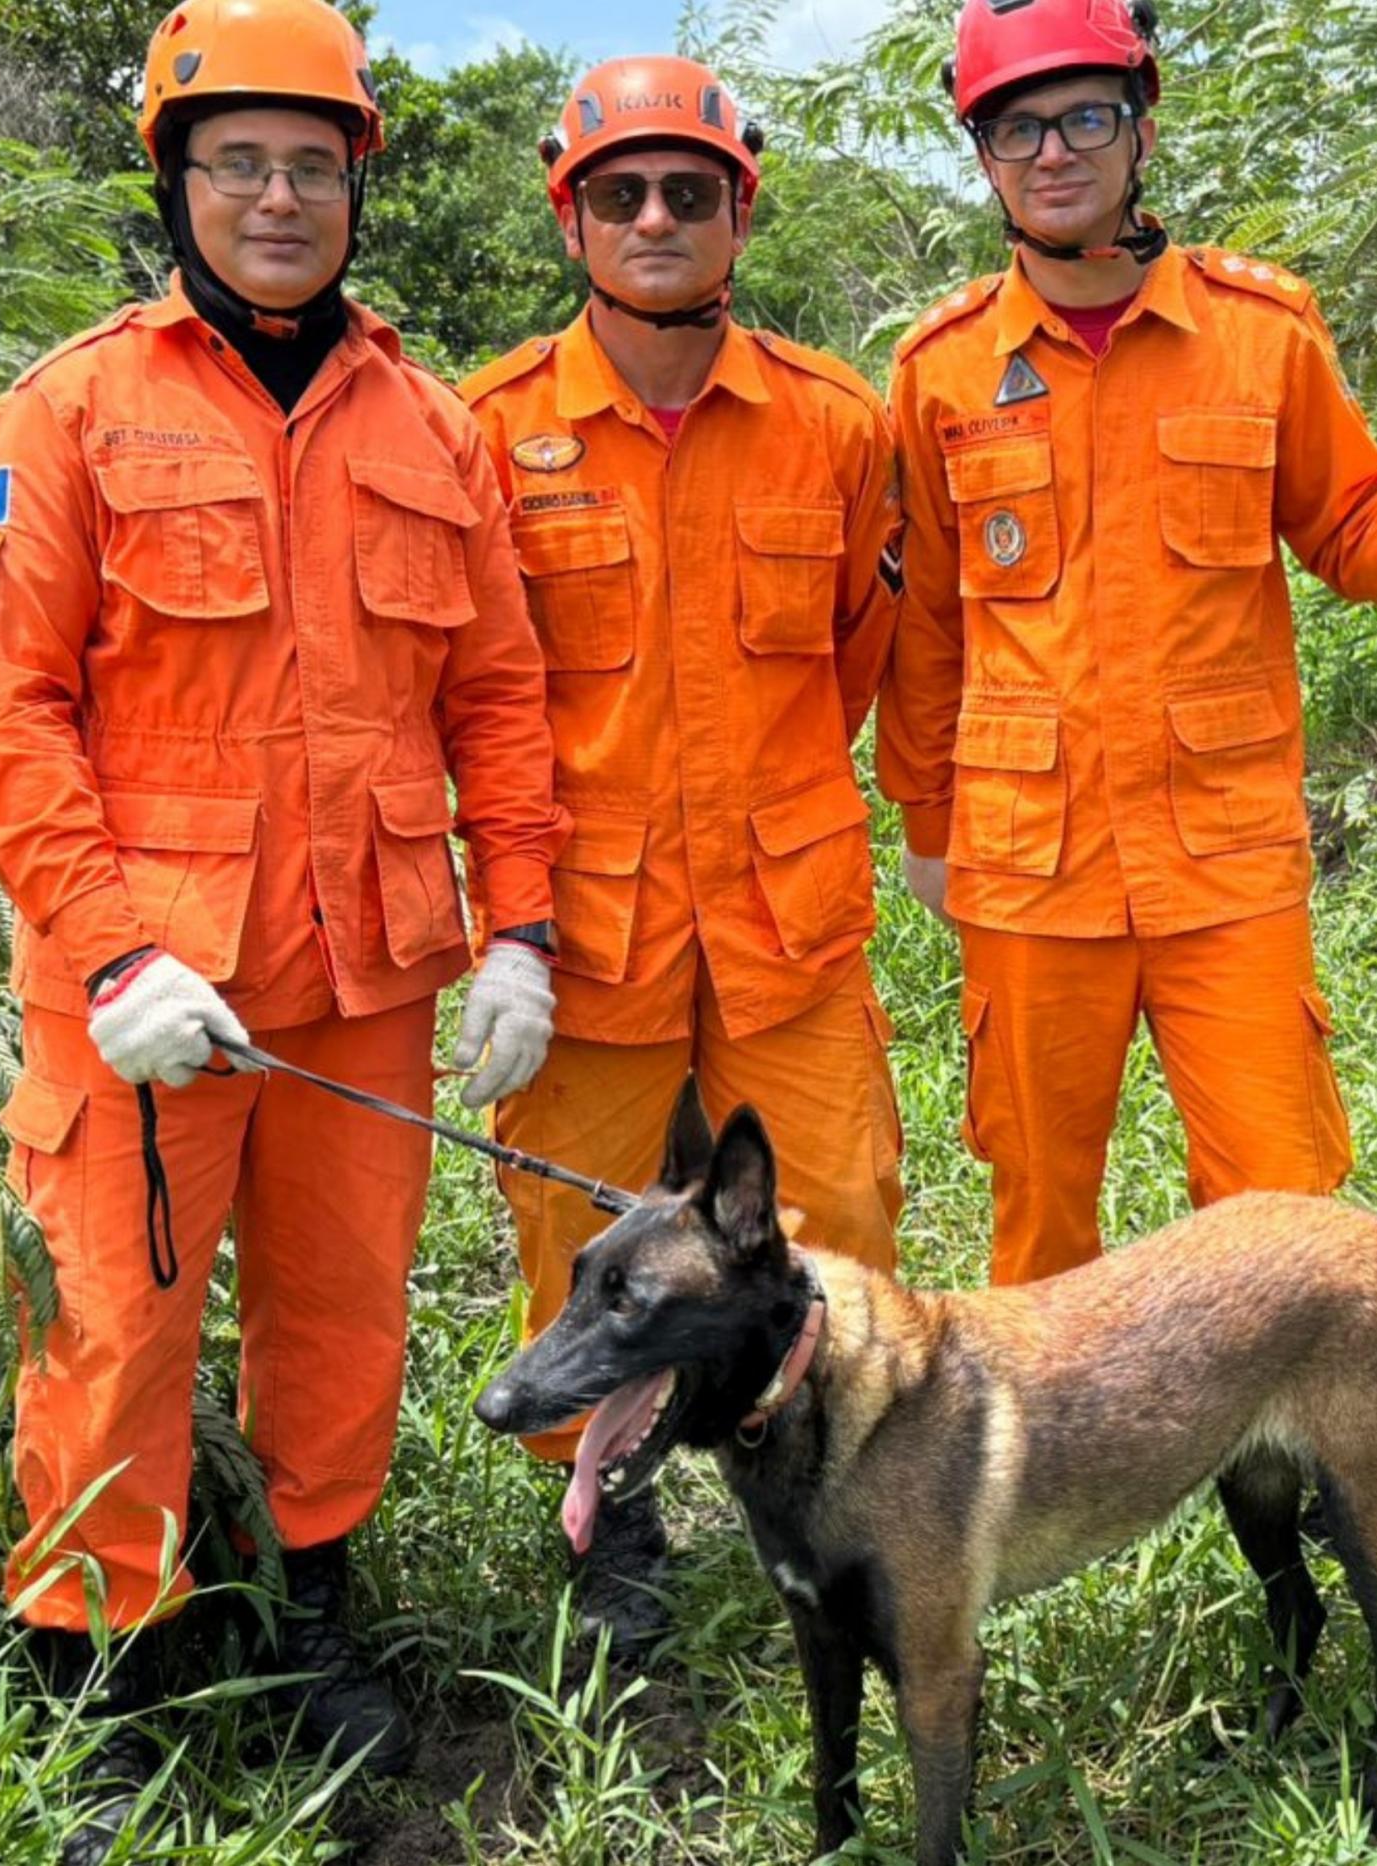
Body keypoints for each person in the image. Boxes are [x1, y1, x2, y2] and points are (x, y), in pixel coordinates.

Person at [0, 0, 568, 1848]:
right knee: (110, 1328)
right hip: (144, 986)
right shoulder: (67, 411)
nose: (279, 198)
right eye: (240, 164)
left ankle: (309, 1615)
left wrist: (520, 928)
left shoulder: (433, 425)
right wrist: (109, 949)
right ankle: (92, 1674)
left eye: (313, 164)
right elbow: (9, 712)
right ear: (177, 182)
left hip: (368, 961)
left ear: (358, 183)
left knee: (343, 1310)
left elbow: (499, 699)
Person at [879, 0, 1377, 1287]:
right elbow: (926, 627)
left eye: (1085, 117)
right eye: (1017, 128)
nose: (1053, 152)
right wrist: (924, 821)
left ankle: (1274, 1428)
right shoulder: (940, 371)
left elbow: (1356, 526)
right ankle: (1048, 1429)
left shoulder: (1261, 331)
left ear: (1140, 127)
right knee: (1038, 1211)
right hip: (1028, 865)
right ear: (984, 157)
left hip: (1225, 855)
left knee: (1279, 1214)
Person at [456, 56, 904, 1650]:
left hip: (787, 923)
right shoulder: (490, 429)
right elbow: (475, 693)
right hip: (584, 936)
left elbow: (858, 657)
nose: (657, 218)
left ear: (739, 215)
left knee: (837, 1219)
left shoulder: (834, 423)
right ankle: (613, 1524)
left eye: (691, 192)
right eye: (622, 193)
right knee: (574, 1239)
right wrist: (509, 928)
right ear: (570, 215)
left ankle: (843, 1498)